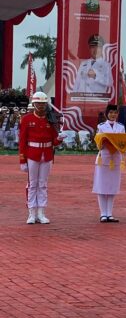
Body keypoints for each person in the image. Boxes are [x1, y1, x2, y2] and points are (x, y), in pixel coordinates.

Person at [18, 92, 63, 224]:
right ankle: (31, 213)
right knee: (32, 184)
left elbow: (54, 141)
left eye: (43, 103)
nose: (41, 106)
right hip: (32, 153)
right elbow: (22, 141)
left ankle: (41, 212)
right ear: (34, 104)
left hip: (47, 154)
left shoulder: (51, 119)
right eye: (39, 103)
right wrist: (22, 160)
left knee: (43, 184)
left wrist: (59, 139)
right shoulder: (26, 119)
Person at [93, 104, 125, 222]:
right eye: (111, 112)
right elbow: (98, 143)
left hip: (116, 158)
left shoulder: (121, 127)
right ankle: (103, 213)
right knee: (102, 186)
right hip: (104, 157)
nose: (113, 115)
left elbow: (123, 143)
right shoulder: (101, 126)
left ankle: (110, 213)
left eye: (115, 113)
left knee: (112, 186)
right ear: (107, 113)